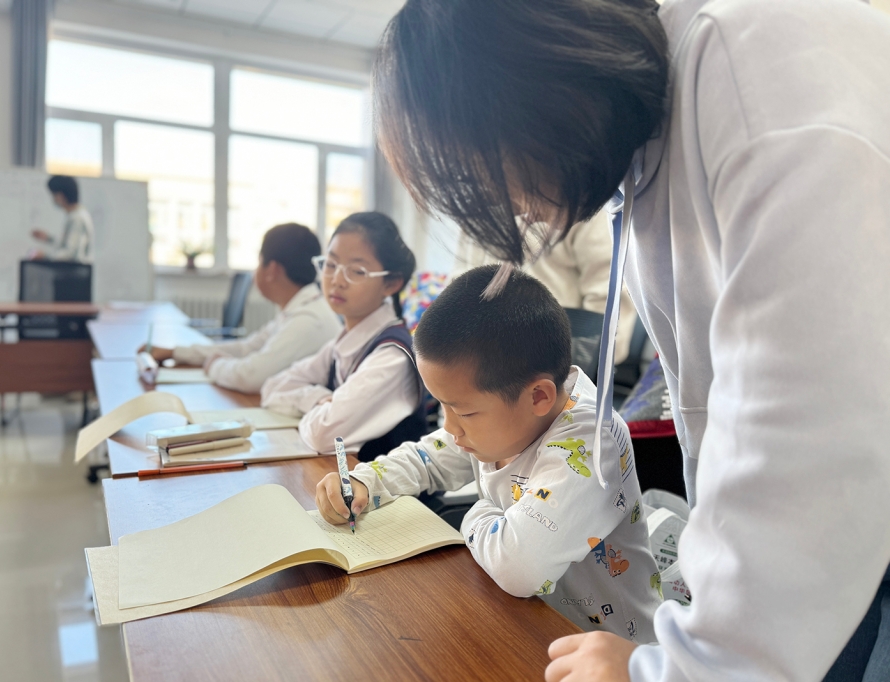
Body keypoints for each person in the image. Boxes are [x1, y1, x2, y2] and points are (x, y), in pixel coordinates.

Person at [372, 1, 890, 681]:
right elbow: (717, 412)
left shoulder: (749, 60)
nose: (512, 205)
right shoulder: (644, 161)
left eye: (485, 171)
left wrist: (678, 667)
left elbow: (815, 442)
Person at [315, 265, 662, 640]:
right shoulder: (504, 419)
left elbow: (519, 568)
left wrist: (477, 512)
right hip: (527, 622)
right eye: (443, 406)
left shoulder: (591, 443)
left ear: (538, 396)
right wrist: (365, 481)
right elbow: (427, 458)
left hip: (613, 649)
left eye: (462, 412)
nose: (450, 427)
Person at [261, 212, 428, 460]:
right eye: (330, 265)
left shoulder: (391, 357)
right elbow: (271, 388)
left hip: (382, 485)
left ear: (391, 283)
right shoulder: (344, 342)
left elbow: (323, 435)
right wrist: (316, 398)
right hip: (339, 476)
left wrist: (313, 404)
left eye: (357, 271)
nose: (337, 280)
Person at [142, 223, 342, 394]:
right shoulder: (298, 308)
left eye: (259, 262)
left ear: (272, 270)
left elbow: (251, 377)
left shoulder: (308, 320)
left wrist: (215, 365)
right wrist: (176, 353)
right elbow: (246, 348)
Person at [455, 213, 639, 364]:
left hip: (549, 360)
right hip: (477, 357)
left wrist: (578, 364)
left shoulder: (586, 205)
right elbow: (459, 285)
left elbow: (607, 297)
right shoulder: (475, 201)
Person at [31, 175, 94, 263]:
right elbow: (67, 244)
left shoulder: (77, 218)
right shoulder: (74, 215)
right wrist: (48, 238)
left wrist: (45, 256)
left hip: (76, 270)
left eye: (54, 195)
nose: (53, 199)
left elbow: (70, 254)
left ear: (62, 195)